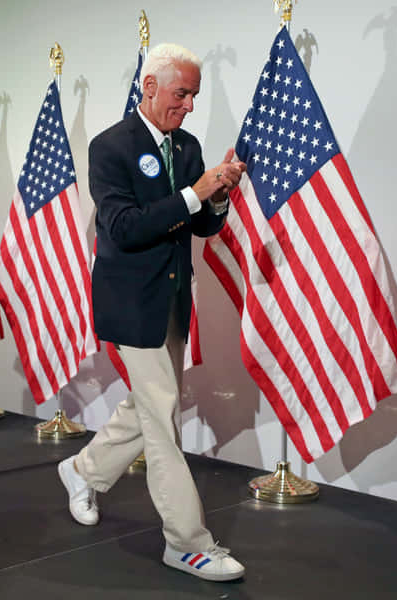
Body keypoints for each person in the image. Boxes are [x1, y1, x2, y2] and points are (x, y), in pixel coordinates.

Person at [57, 43, 247, 582]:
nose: (188, 106)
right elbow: (123, 227)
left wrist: (218, 197)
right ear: (149, 87)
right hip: (129, 302)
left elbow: (202, 228)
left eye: (194, 96)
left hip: (172, 298)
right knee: (162, 414)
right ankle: (186, 543)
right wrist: (195, 193)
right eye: (180, 94)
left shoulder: (186, 147)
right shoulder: (110, 147)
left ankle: (83, 470)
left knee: (148, 404)